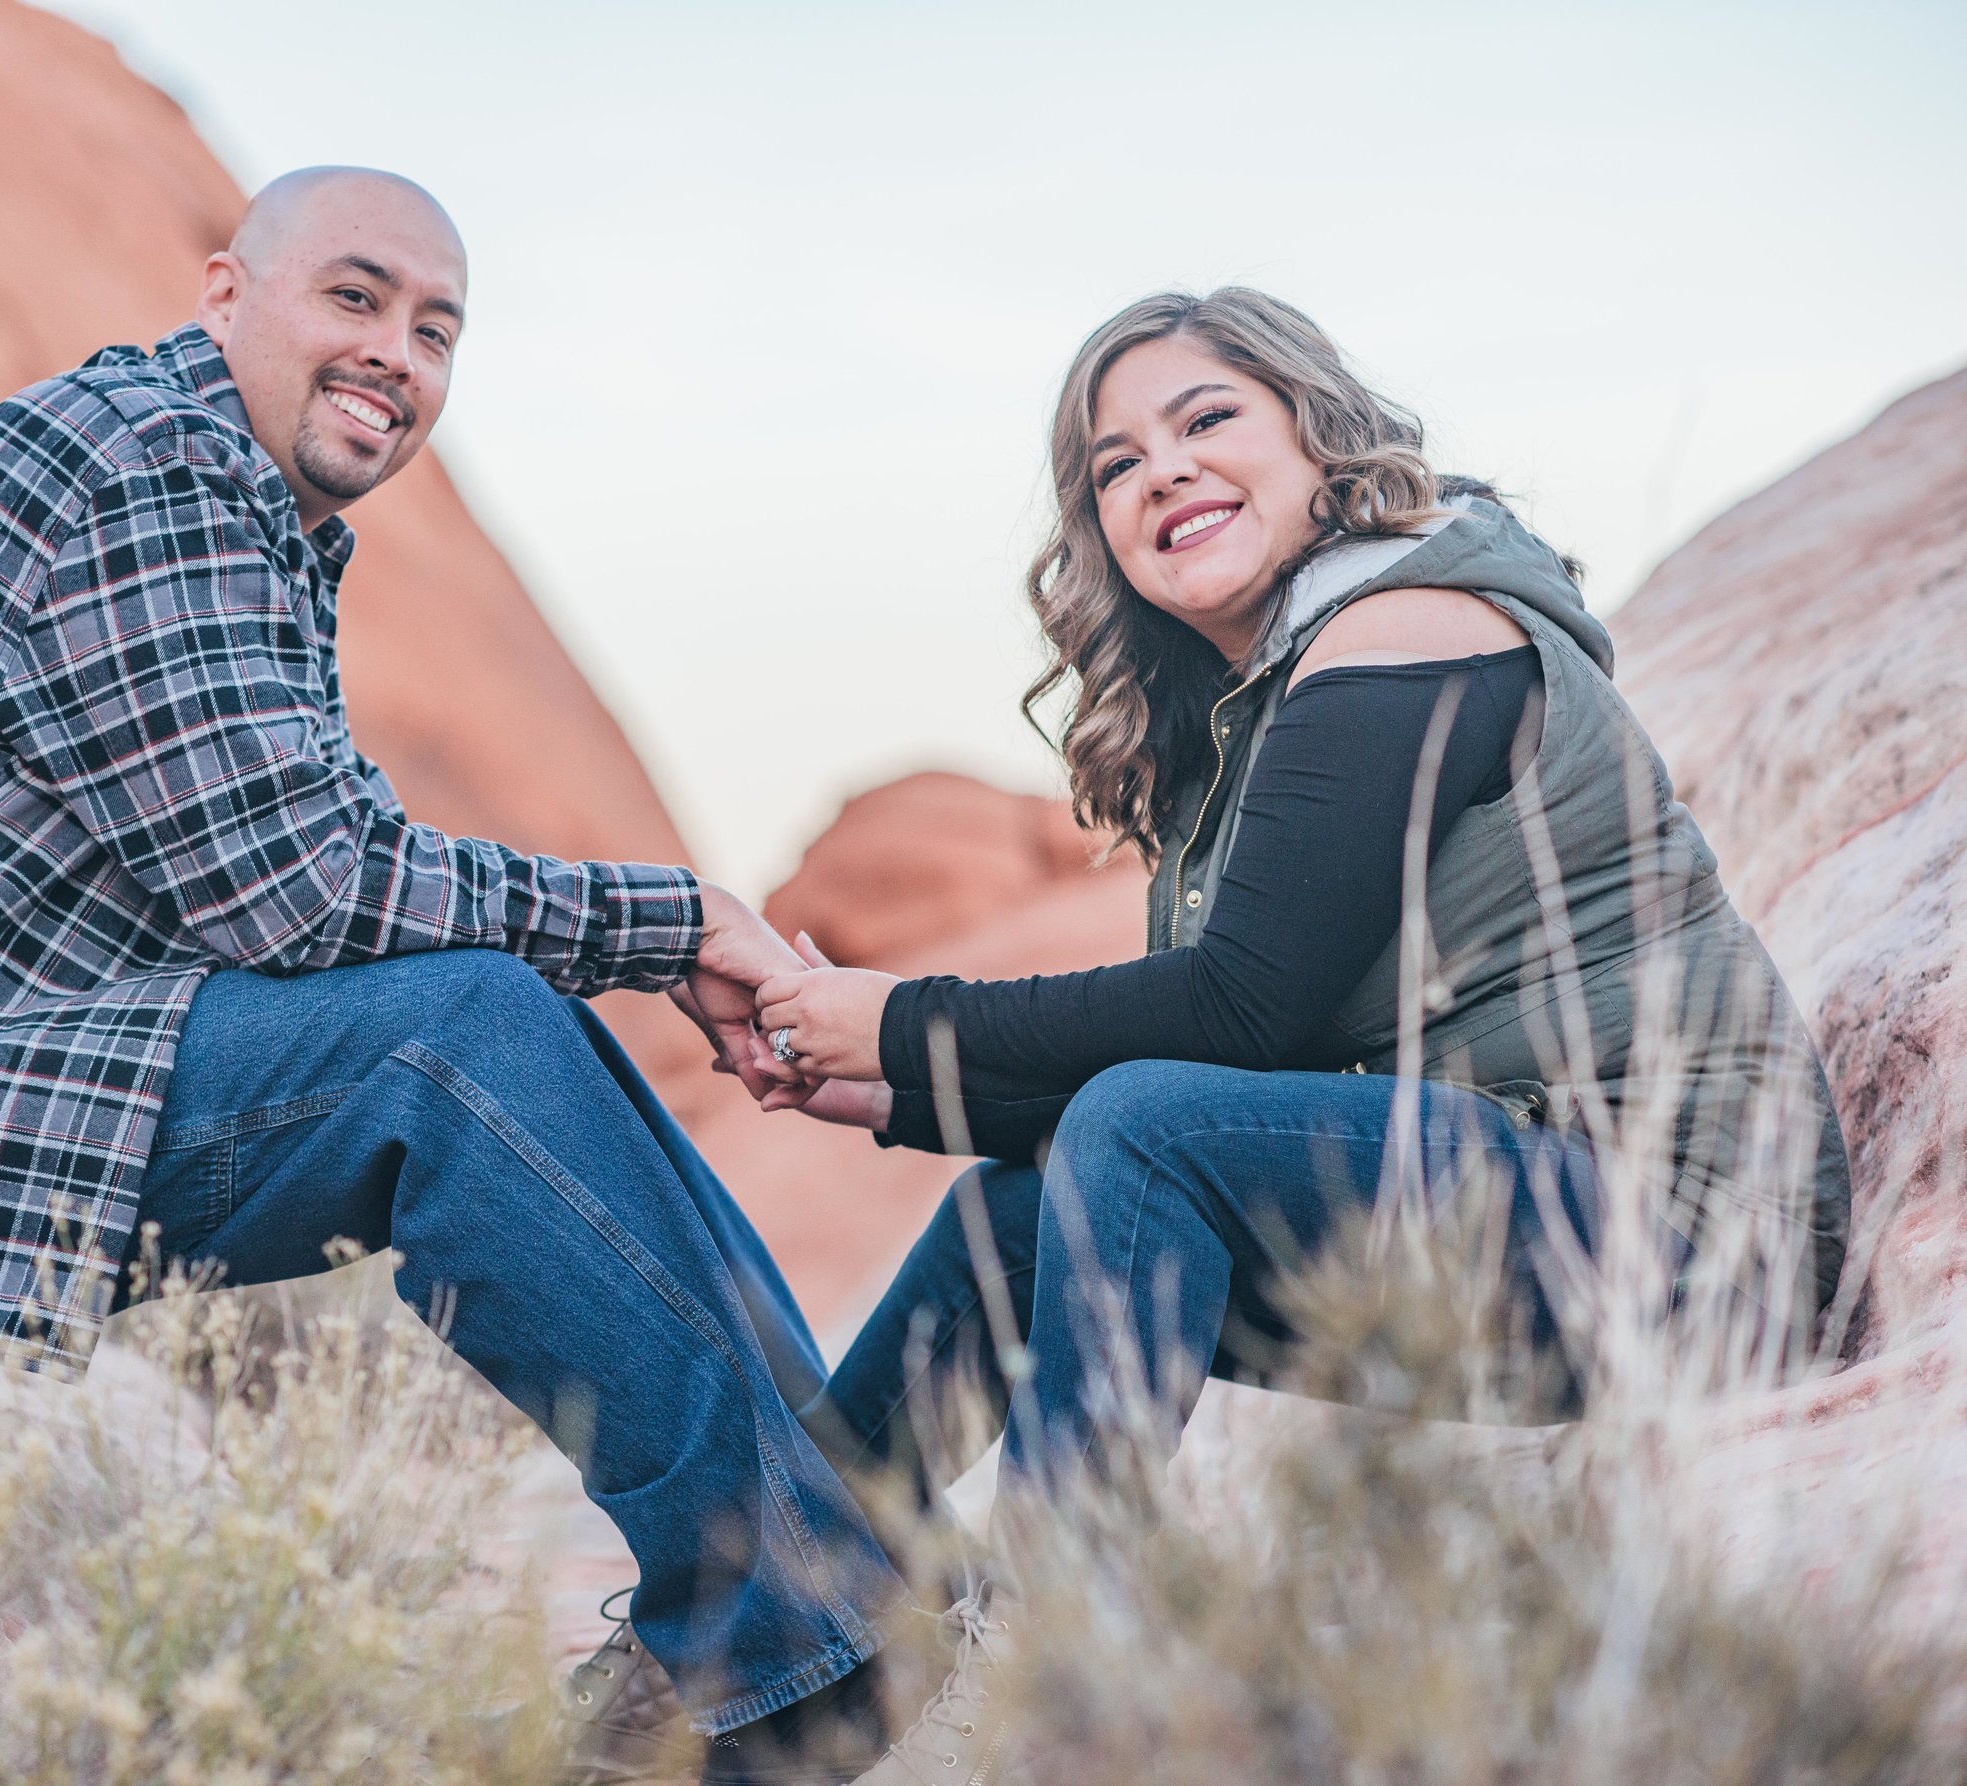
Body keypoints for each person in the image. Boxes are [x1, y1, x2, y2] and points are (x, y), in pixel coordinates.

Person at [0, 167, 1004, 1786]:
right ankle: (798, 1631)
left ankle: (817, 1594)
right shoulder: (143, 469)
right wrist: (672, 921)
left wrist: (638, 933)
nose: (398, 351)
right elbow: (304, 896)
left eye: (436, 328)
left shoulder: (237, 502)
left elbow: (312, 867)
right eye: (355, 295)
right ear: (222, 294)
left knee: (487, 1014)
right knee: (455, 1044)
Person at [753, 286, 1851, 1505]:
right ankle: (757, 1642)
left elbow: (1238, 1015)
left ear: (1313, 428)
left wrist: (901, 1019)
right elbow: (1233, 1097)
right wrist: (881, 1090)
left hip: (1693, 1241)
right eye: (1117, 466)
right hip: (1520, 1200)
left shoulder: (1410, 620)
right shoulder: (1254, 717)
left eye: (1205, 419)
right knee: (1012, 1215)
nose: (1164, 472)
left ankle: (1051, 1632)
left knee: (1141, 1125)